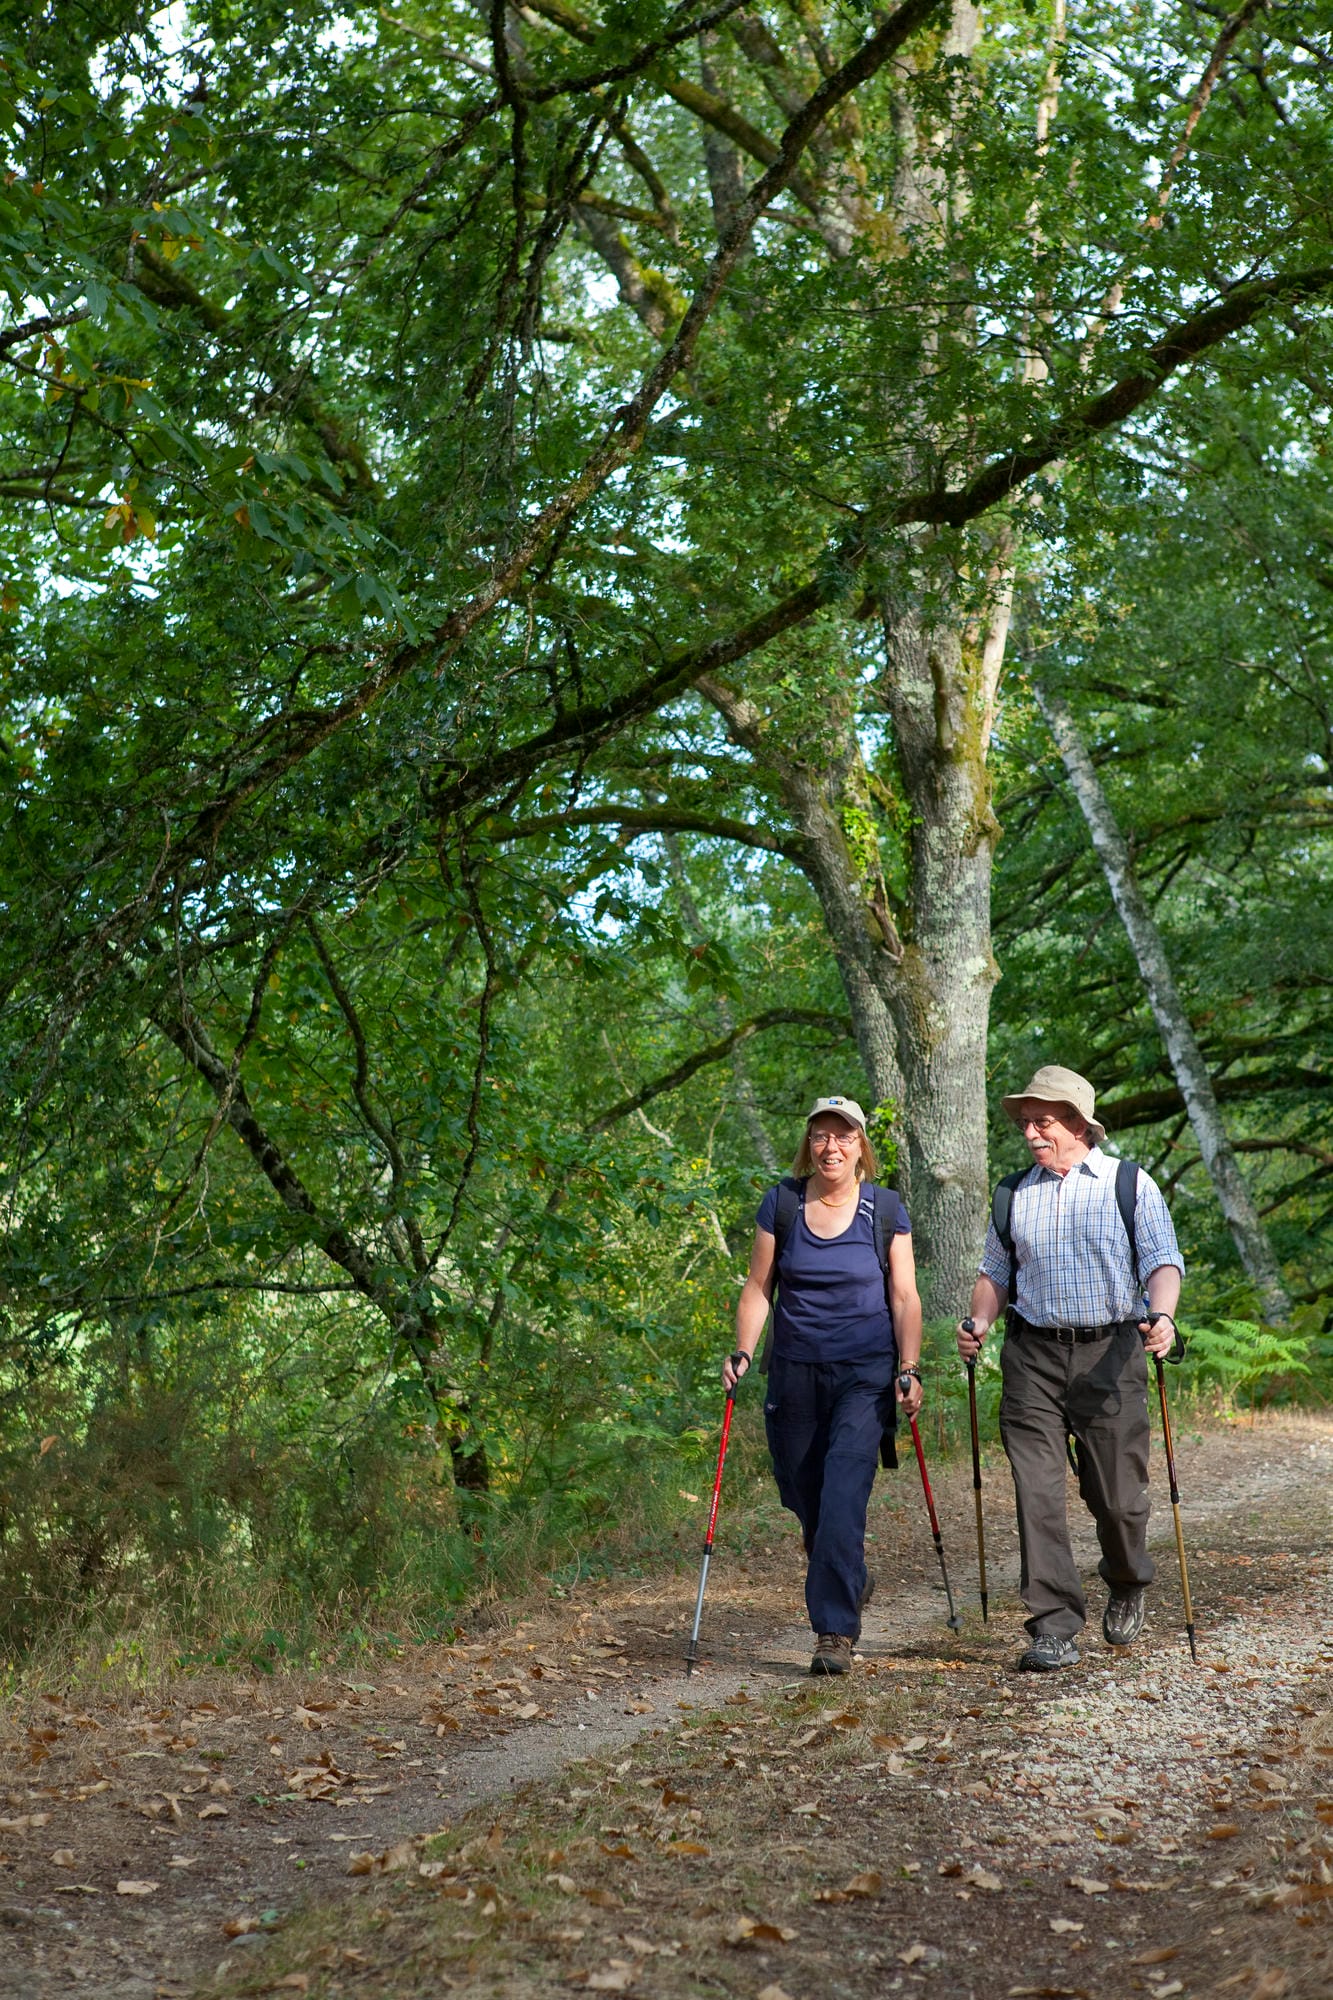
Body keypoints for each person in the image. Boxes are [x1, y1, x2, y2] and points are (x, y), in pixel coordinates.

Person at [956, 1064, 1184, 1672]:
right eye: (1026, 1123)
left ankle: (1128, 1576)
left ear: (1080, 1125)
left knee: (1116, 1498)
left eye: (1043, 1122)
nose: (1031, 1132)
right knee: (1037, 1491)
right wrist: (978, 1322)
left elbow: (1163, 1262)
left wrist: (1162, 1316)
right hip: (1031, 1355)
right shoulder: (1012, 1193)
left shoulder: (1129, 1184)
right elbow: (994, 1276)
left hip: (1112, 1353)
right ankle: (1054, 1625)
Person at [724, 1096, 923, 1676]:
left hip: (864, 1374)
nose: (830, 1146)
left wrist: (908, 1368)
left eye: (843, 1136)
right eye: (820, 1136)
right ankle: (848, 1575)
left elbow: (904, 1296)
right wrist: (742, 1351)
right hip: (793, 1373)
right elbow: (760, 1288)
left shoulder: (883, 1209)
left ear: (861, 1146)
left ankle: (834, 1631)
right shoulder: (782, 1203)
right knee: (805, 1498)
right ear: (808, 1144)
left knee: (841, 1497)